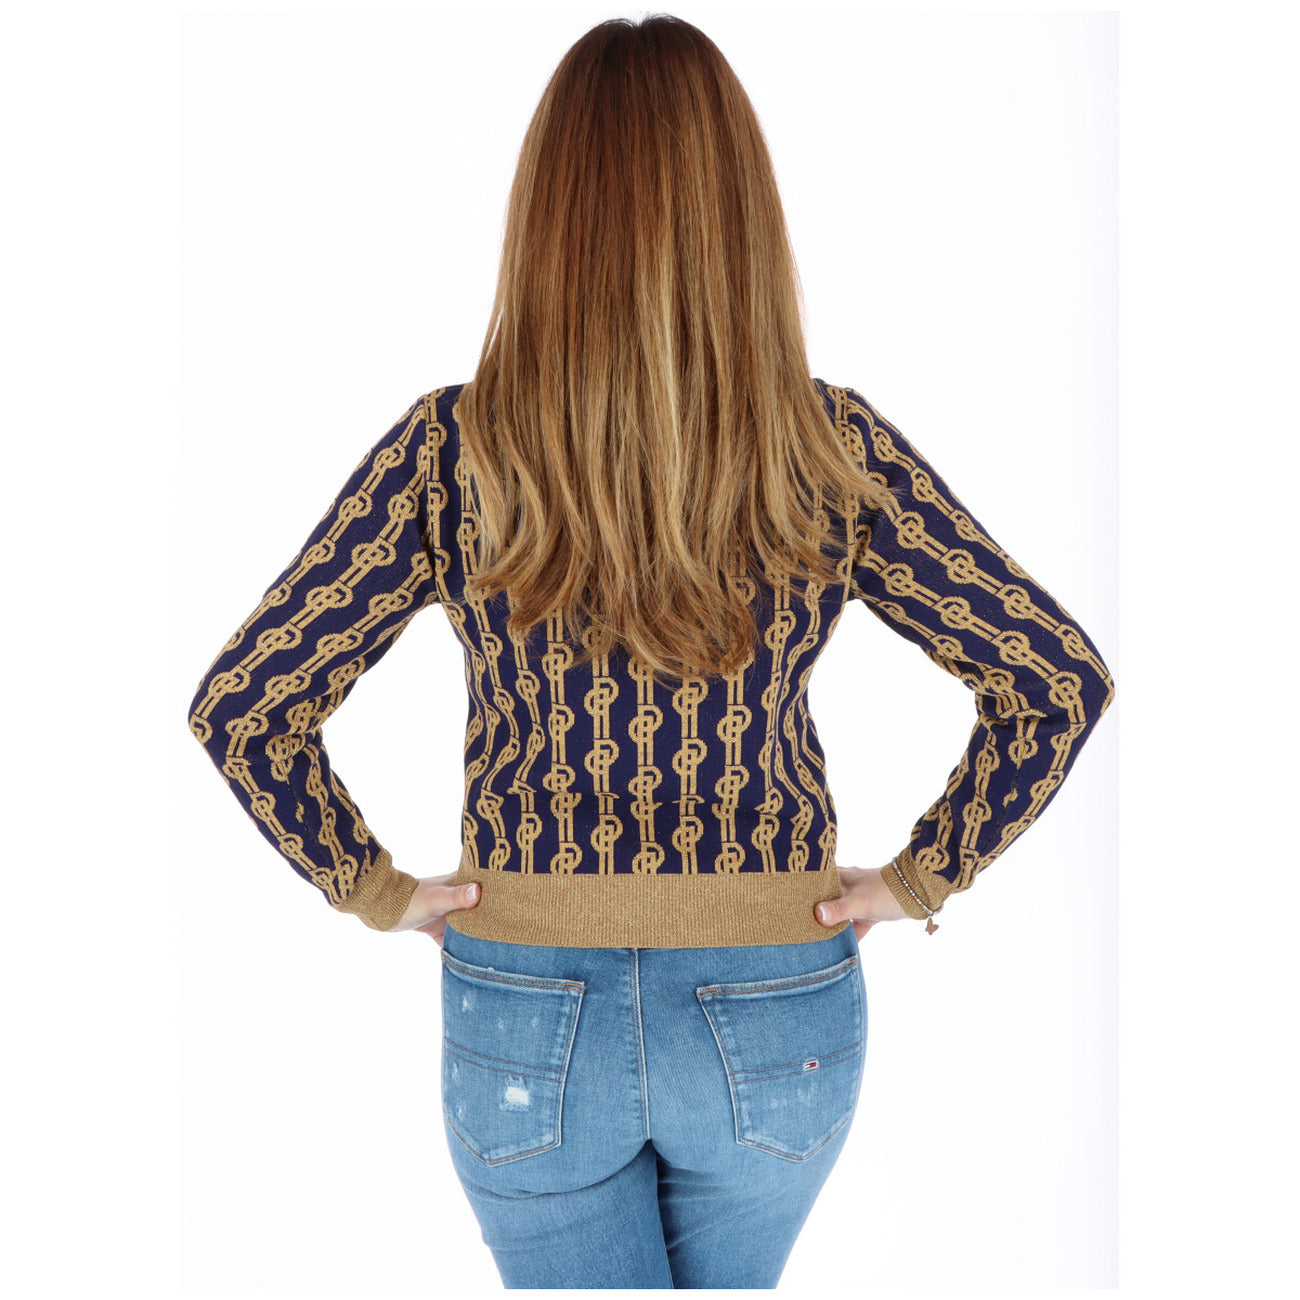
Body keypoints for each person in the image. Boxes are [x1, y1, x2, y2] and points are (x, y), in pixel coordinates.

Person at [187, 13, 1115, 1289]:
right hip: (774, 998)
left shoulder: (451, 452)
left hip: (526, 1004)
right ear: (742, 213)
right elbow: (1053, 678)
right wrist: (920, 878)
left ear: (545, 215)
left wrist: (376, 889)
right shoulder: (827, 449)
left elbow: (247, 704)